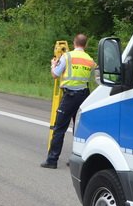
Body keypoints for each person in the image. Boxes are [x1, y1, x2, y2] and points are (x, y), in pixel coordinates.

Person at [41, 33, 96, 169]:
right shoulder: (90, 60)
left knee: (59, 128)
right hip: (84, 97)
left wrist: (53, 64)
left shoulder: (68, 56)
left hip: (70, 97)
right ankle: (76, 159)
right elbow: (97, 77)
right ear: (86, 44)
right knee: (79, 130)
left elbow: (55, 74)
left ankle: (52, 160)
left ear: (74, 43)